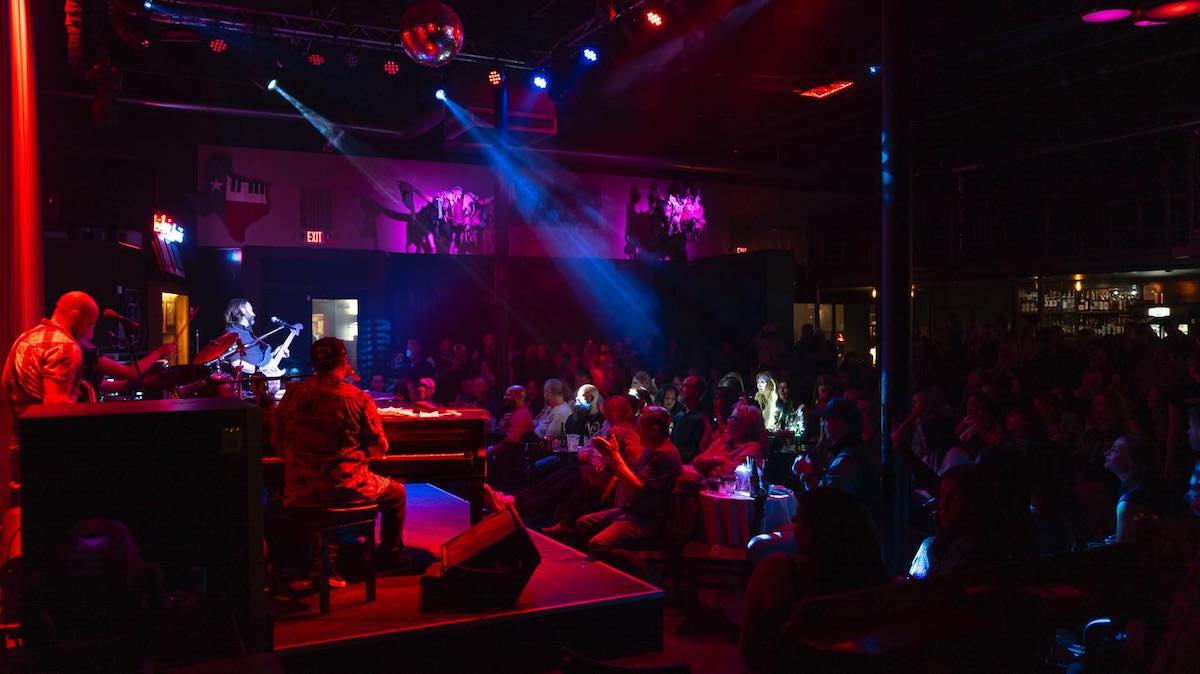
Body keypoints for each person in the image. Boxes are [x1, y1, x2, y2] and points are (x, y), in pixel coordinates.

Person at [273, 337, 407, 567]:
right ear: (344, 362)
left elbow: (277, 441)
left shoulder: (293, 394)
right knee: (397, 494)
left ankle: (303, 559)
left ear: (313, 364)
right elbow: (380, 448)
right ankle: (390, 557)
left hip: (301, 490)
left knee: (275, 496)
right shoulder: (358, 397)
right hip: (347, 488)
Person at [741, 488, 888, 672]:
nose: (793, 526)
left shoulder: (779, 571)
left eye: (798, 519)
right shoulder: (872, 578)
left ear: (810, 531)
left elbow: (747, 647)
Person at [573, 406, 682, 575]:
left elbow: (639, 489)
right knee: (582, 523)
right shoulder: (650, 449)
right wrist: (612, 458)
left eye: (641, 424)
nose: (637, 428)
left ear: (654, 429)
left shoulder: (664, 454)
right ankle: (600, 575)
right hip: (632, 512)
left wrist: (615, 458)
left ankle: (643, 572)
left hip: (647, 521)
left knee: (598, 544)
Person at [3, 291, 98, 474]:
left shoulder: (25, 338)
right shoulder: (66, 346)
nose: (91, 333)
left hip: (17, 451)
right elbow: (56, 410)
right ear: (75, 316)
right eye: (90, 324)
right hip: (44, 457)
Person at [794, 398, 880, 515]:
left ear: (840, 424)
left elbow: (822, 504)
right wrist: (812, 469)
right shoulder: (851, 450)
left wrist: (806, 474)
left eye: (826, 419)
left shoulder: (847, 459)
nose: (823, 423)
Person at [1104, 433, 1170, 543]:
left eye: (1114, 450)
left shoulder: (1130, 502)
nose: (1107, 453)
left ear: (1132, 461)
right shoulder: (1150, 489)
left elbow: (1123, 551)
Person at [222, 298, 277, 373]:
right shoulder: (233, 332)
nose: (254, 314)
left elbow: (260, 361)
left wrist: (276, 353)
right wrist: (258, 370)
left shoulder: (248, 332)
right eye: (251, 310)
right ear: (243, 310)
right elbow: (235, 362)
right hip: (253, 380)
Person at [671, 375, 710, 463]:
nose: (681, 389)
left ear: (697, 391)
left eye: (686, 386)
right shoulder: (678, 415)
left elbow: (695, 453)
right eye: (682, 385)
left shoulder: (702, 419)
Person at [533, 378, 572, 443]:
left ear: (548, 393)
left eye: (544, 392)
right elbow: (539, 422)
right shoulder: (551, 407)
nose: (543, 395)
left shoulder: (561, 413)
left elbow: (548, 439)